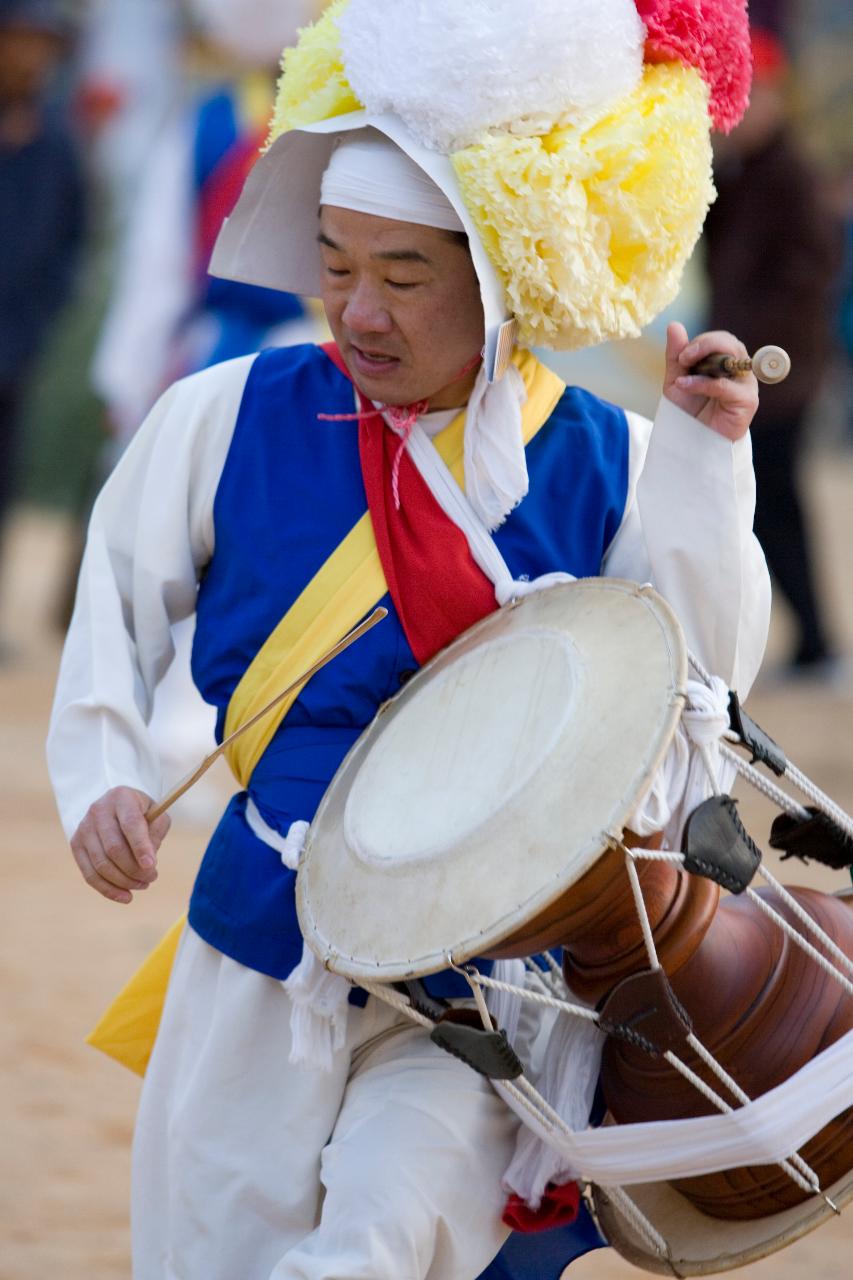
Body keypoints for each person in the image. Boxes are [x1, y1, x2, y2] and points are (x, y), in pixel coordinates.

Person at [47, 3, 769, 1277]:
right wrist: (103, 770)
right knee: (216, 1246)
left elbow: (702, 686)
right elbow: (115, 593)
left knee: (384, 1236)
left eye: (404, 274)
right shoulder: (229, 413)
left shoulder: (612, 461)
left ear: (490, 276)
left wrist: (708, 465)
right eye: (335, 265)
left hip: (489, 976)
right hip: (264, 929)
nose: (358, 313)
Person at [704, 27, 842, 678]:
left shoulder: (788, 173)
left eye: (749, 97)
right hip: (754, 368)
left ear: (778, 98)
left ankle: (815, 641)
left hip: (776, 374)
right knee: (762, 508)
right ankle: (810, 641)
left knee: (774, 508)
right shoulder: (743, 171)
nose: (735, 115)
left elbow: (810, 271)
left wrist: (755, 347)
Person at [0, 0, 84, 621]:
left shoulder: (56, 143)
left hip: (13, 351)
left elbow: (68, 246)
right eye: (20, 40)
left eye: (42, 43)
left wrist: (34, 328)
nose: (31, 57)